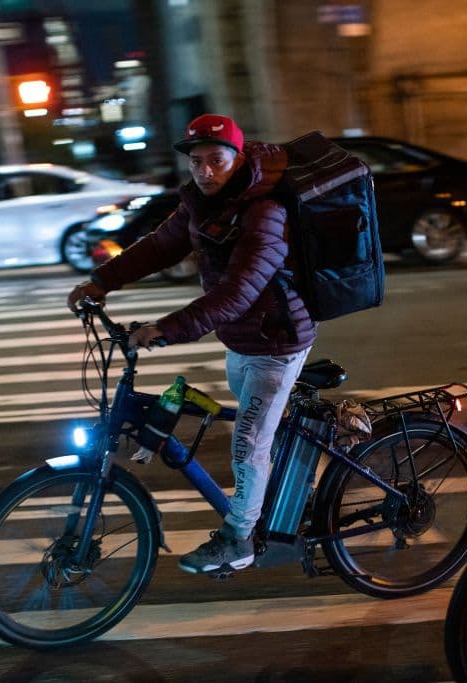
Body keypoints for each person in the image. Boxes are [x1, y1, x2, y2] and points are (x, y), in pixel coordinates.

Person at [68, 114, 316, 575]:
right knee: (259, 431)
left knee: (247, 442)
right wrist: (102, 281)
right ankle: (288, 499)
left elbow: (237, 293)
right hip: (241, 341)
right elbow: (160, 245)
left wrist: (167, 328)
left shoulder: (264, 211)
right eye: (196, 162)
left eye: (216, 161)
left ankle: (239, 539)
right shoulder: (202, 204)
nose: (204, 171)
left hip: (276, 342)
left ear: (237, 159)